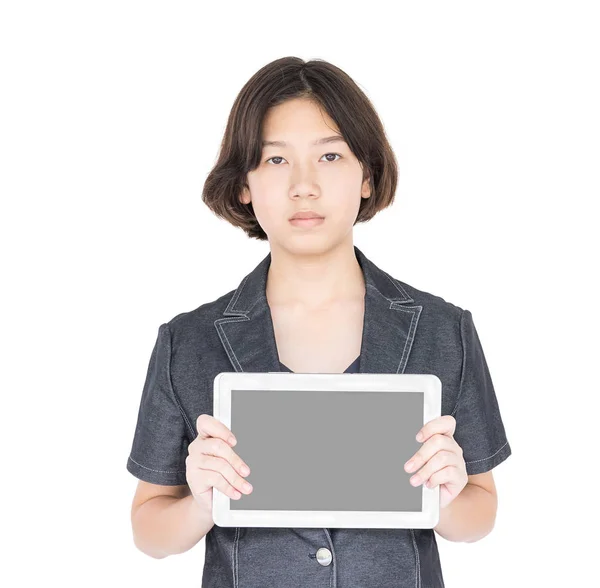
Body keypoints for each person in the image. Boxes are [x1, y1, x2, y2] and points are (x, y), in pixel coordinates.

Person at [126, 56, 512, 588]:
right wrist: (200, 503)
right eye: (275, 160)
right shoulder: (187, 342)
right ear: (244, 184)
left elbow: (480, 513)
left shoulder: (442, 331)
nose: (303, 186)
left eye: (330, 155)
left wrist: (445, 496)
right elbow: (148, 529)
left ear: (367, 177)